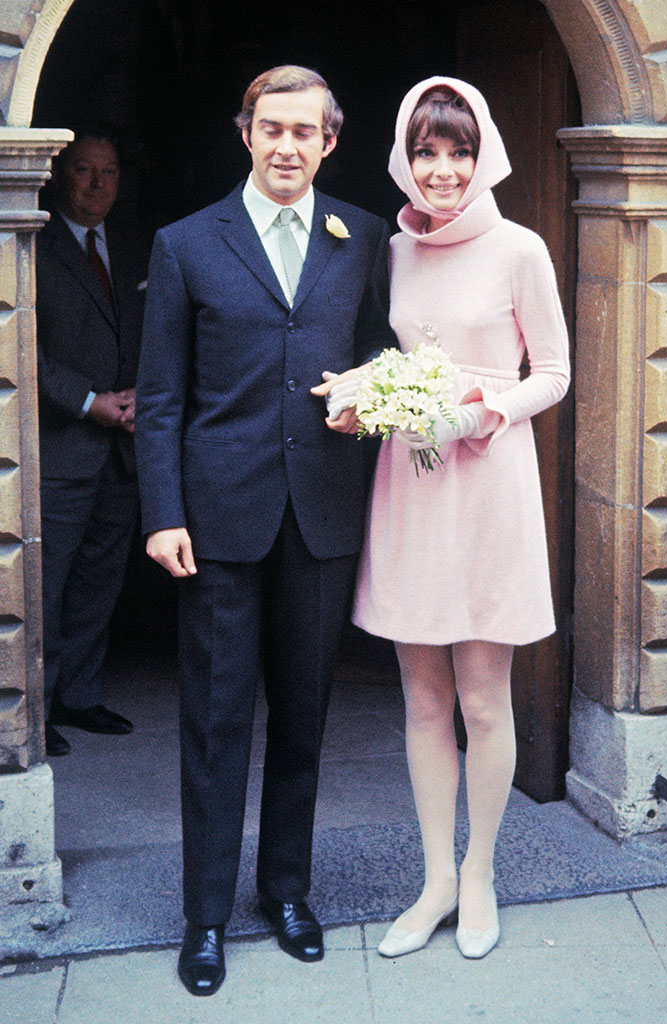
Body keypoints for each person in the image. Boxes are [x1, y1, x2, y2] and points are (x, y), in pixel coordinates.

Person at [134, 65, 394, 996]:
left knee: (303, 716)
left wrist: (373, 393)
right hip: (215, 521)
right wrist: (162, 511)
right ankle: (205, 917)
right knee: (213, 721)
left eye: (306, 132)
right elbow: (160, 396)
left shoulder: (361, 235)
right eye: (271, 129)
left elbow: (378, 348)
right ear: (246, 133)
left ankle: (287, 892)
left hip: (320, 515)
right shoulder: (186, 243)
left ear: (331, 140)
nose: (287, 146)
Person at [347, 77, 570, 958]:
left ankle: (480, 874)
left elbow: (552, 372)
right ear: (405, 156)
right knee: (423, 695)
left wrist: (480, 413)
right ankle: (435, 878)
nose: (442, 170)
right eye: (427, 151)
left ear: (485, 157)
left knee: (483, 698)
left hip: (487, 482)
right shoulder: (392, 252)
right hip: (411, 481)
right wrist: (369, 397)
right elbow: (385, 354)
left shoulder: (521, 249)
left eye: (459, 150)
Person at [37, 130, 147, 758]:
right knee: (46, 588)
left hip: (123, 450)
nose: (97, 183)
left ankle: (78, 696)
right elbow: (22, 347)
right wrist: (88, 402)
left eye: (108, 172)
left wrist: (139, 398)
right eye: (84, 170)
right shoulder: (32, 242)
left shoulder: (133, 249)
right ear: (58, 175)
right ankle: (38, 706)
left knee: (99, 582)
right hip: (61, 448)